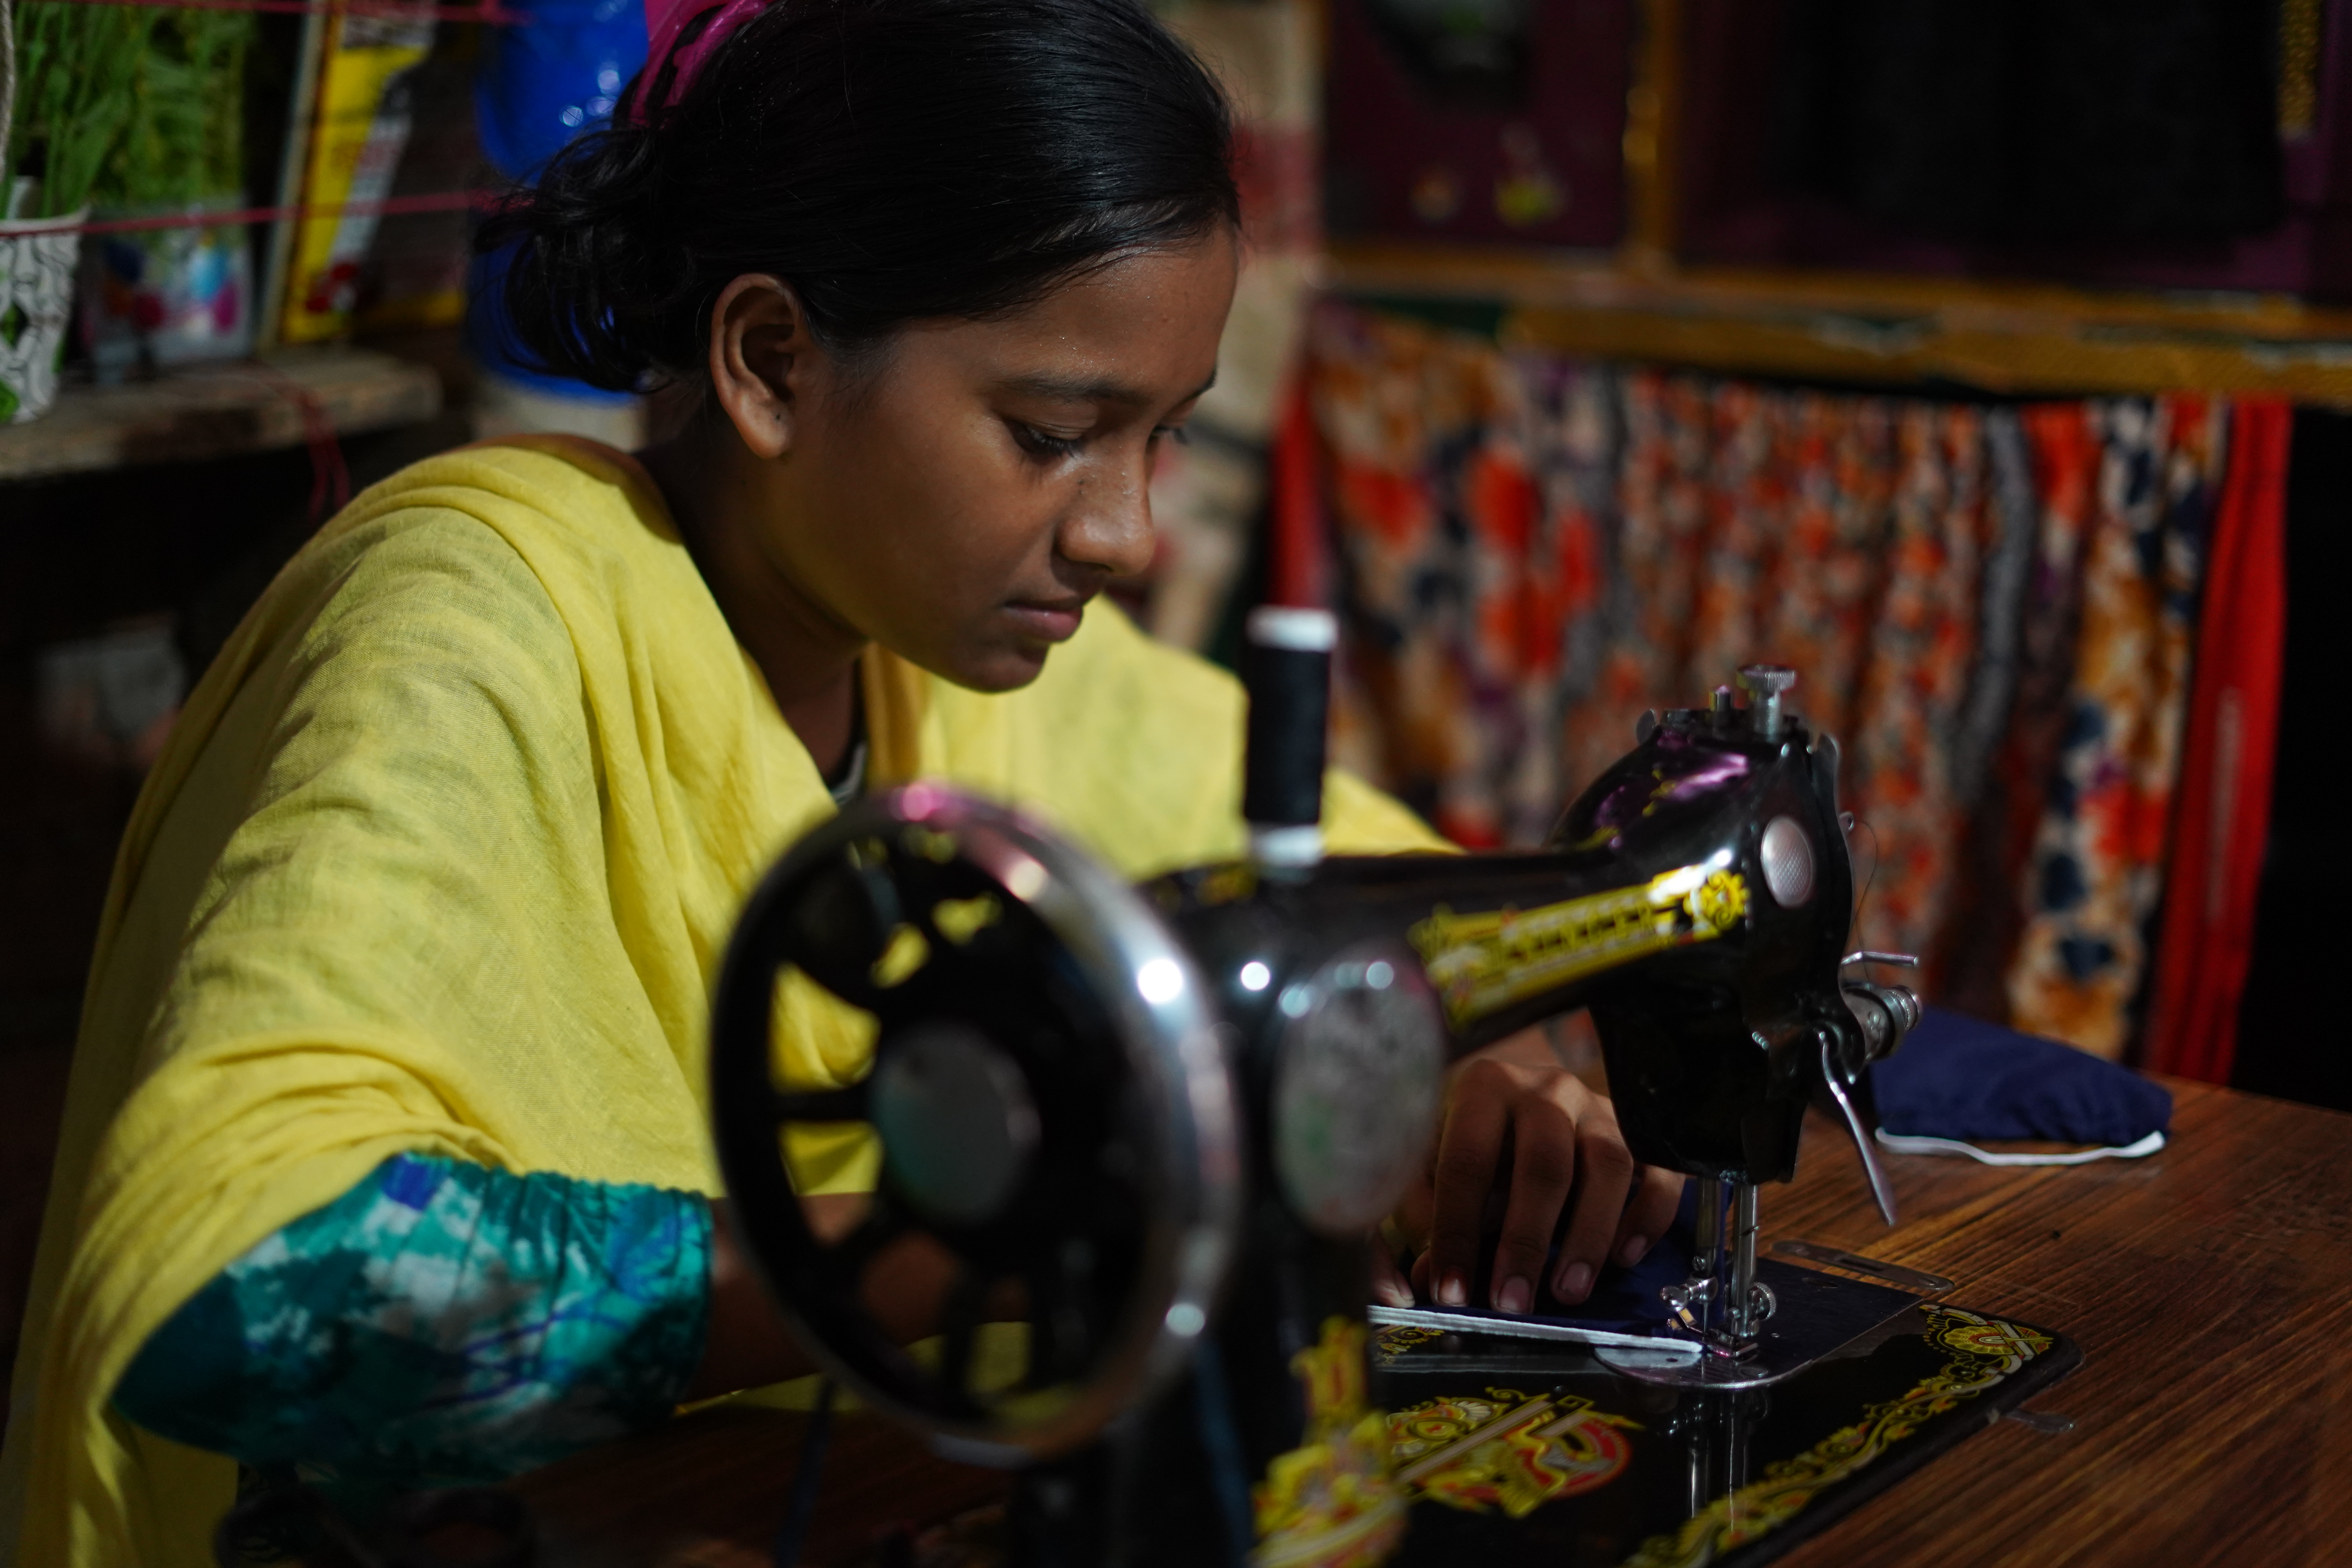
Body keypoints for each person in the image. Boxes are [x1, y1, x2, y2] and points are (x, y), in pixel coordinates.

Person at [0, 2, 1681, 1562]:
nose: (1130, 533)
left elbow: (1374, 915)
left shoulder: (971, 677)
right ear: (771, 362)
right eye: (1050, 433)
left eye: (1161, 435)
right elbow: (233, 1291)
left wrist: (1492, 1072)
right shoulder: (466, 627)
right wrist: (979, 1232)